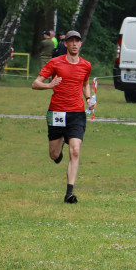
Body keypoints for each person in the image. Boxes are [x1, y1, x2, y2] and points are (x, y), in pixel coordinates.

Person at [31, 30, 93, 204]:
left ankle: (69, 193)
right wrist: (49, 85)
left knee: (75, 150)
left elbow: (85, 84)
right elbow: (35, 84)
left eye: (77, 41)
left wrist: (88, 99)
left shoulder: (86, 65)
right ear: (65, 44)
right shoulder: (55, 63)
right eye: (71, 41)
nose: (74, 44)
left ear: (80, 44)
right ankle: (59, 150)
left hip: (77, 113)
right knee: (54, 154)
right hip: (56, 113)